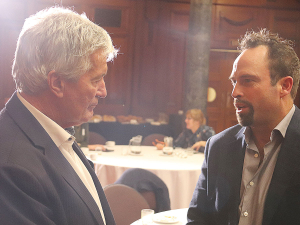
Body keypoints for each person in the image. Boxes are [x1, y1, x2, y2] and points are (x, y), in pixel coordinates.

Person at [0, 6, 118, 225]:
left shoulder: (55, 130)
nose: (103, 91)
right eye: (95, 80)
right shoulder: (10, 166)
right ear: (57, 83)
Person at [187, 28, 300, 225]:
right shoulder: (218, 147)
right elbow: (198, 219)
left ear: (285, 86)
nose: (235, 92)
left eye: (247, 81)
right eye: (234, 82)